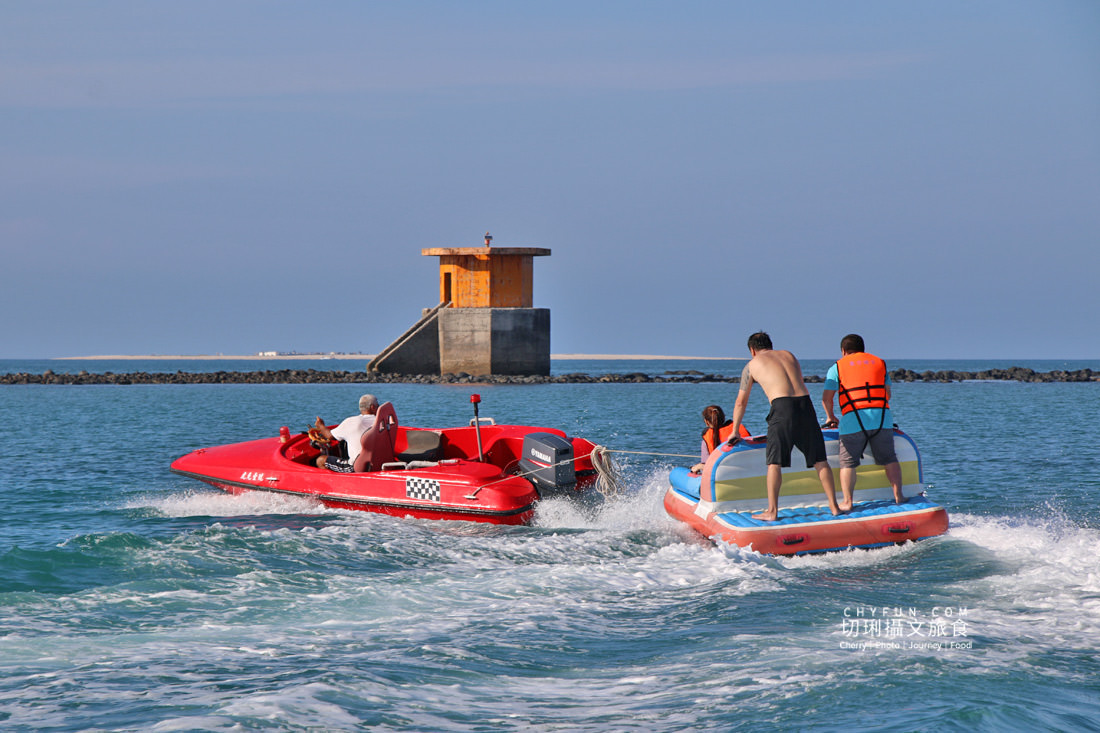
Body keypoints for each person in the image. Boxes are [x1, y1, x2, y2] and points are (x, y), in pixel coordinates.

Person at [726, 332, 840, 520]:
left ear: (752, 350)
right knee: (820, 460)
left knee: (774, 462)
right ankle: (834, 506)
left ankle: (772, 511)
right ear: (771, 345)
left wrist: (735, 430)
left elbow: (741, 402)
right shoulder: (789, 355)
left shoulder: (751, 365)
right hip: (806, 405)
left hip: (782, 407)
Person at [821, 334, 904, 507]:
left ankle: (848, 501)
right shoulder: (880, 363)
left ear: (843, 351)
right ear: (863, 349)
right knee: (889, 458)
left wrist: (831, 417)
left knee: (848, 463)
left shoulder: (837, 367)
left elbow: (827, 398)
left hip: (853, 420)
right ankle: (899, 496)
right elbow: (887, 394)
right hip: (882, 418)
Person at [312, 394, 380, 472]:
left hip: (356, 467)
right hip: (378, 462)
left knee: (320, 460)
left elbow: (329, 435)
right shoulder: (379, 421)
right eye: (378, 405)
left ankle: (336, 483)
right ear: (373, 407)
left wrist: (320, 425)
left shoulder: (352, 422)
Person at [691, 405, 750, 473]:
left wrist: (699, 466)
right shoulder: (738, 430)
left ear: (706, 422)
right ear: (724, 417)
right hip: (748, 470)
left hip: (724, 474)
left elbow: (709, 467)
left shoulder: (707, 438)